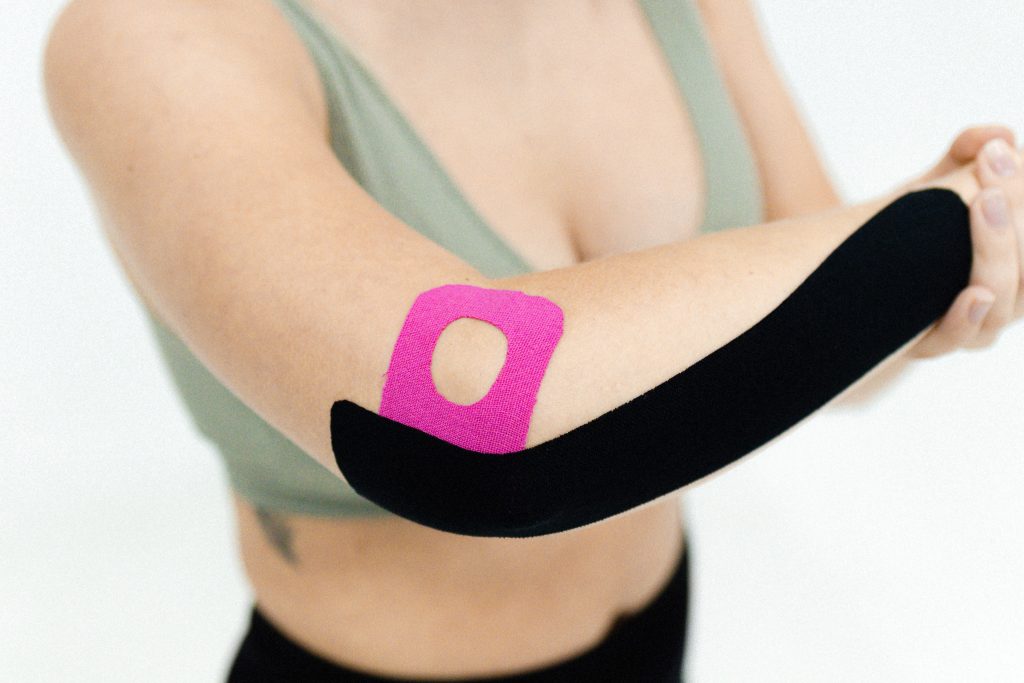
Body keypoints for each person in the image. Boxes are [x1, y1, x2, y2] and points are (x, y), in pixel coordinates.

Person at [42, 0, 1023, 680]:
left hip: (660, 632)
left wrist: (962, 254)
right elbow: (472, 428)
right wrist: (935, 232)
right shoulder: (151, 39)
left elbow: (823, 339)